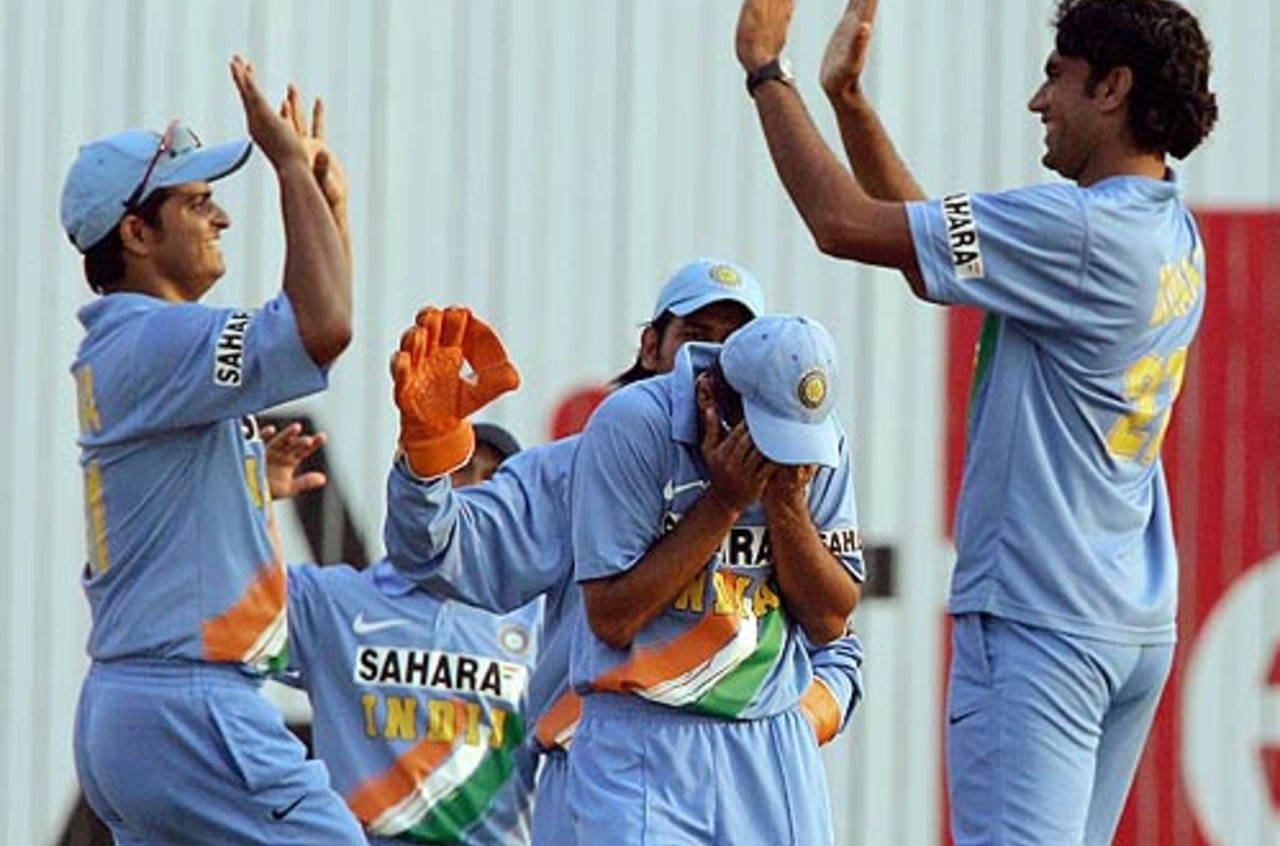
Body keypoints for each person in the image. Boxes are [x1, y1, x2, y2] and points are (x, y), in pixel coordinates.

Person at [736, 0, 1217, 845]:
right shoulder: (1169, 229)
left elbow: (842, 224)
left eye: (1057, 76)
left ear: (1113, 88)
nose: (1039, 102)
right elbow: (924, 246)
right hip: (1127, 622)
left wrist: (767, 71)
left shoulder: (1080, 231)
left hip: (1040, 620)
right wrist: (847, 101)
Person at [383, 259, 865, 846]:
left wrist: (786, 723)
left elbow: (836, 637)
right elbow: (436, 555)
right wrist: (427, 459)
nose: (711, 357)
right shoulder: (576, 466)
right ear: (651, 345)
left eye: (736, 342)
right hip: (603, 757)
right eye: (695, 336)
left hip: (759, 752)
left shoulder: (797, 451)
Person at [66, 58, 364, 844]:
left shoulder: (136, 344)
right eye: (197, 202)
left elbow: (318, 322)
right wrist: (290, 170)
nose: (222, 218)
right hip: (189, 702)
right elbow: (323, 327)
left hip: (135, 707)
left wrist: (244, 482)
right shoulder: (154, 337)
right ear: (135, 233)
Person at [569, 313, 863, 845]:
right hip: (644, 733)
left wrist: (787, 505)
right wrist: (724, 503)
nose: (780, 456)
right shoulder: (633, 424)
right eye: (766, 436)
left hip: (770, 735)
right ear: (710, 395)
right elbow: (612, 618)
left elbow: (830, 620)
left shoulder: (816, 440)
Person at [260, 420, 543, 845]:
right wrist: (251, 502)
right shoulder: (334, 602)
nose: (476, 488)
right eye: (459, 470)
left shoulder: (541, 616)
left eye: (494, 478)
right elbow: (224, 595)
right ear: (415, 484)